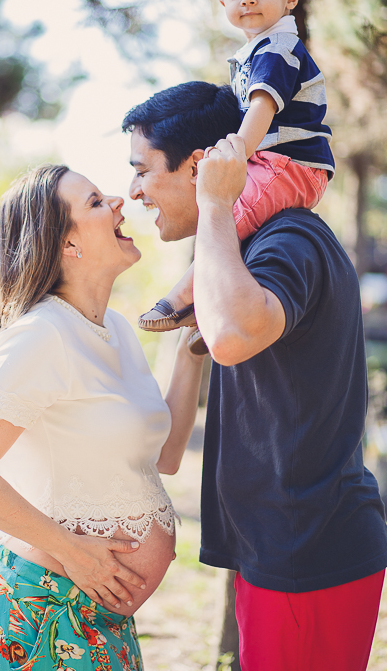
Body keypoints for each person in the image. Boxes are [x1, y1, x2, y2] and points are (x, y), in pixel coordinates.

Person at [125, 86, 387, 670]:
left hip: (306, 554)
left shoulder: (287, 241)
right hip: (283, 549)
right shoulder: (245, 251)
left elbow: (234, 337)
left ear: (199, 165)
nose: (134, 191)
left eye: (141, 171)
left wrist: (216, 207)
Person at [0, 163, 205, 671]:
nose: (118, 202)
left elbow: (165, 455)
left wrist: (189, 350)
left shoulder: (118, 332)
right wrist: (76, 553)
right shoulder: (41, 335)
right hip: (36, 608)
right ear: (67, 246)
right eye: (94, 202)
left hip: (96, 615)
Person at [137, 0, 335, 354]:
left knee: (229, 214)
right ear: (223, 3)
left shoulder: (278, 50)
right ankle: (214, 307)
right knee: (236, 225)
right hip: (278, 162)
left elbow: (262, 107)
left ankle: (182, 297)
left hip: (291, 164)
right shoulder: (255, 52)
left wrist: (235, 155)